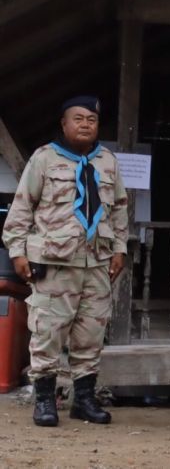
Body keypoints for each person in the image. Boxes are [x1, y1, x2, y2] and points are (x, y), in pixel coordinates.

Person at [2, 96, 128, 427]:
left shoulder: (108, 162)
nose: (86, 124)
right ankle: (45, 401)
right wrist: (17, 251)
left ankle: (83, 400)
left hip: (96, 263)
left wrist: (120, 249)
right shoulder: (44, 159)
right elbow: (21, 208)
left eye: (92, 119)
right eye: (78, 118)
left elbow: (119, 209)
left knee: (90, 334)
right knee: (48, 333)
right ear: (64, 123)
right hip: (54, 263)